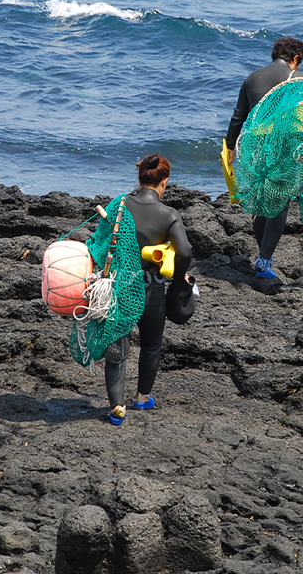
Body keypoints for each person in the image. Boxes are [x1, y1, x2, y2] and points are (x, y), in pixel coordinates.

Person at [103, 154, 193, 425]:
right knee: (151, 345)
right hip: (152, 290)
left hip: (120, 288)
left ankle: (117, 406)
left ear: (139, 177)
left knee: (117, 344)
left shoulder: (120, 206)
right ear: (164, 182)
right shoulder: (168, 215)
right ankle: (142, 398)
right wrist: (179, 281)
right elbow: (185, 252)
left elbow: (103, 242)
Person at [225, 36, 303, 279]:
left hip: (255, 149)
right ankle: (263, 262)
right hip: (284, 149)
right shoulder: (300, 81)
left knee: (263, 200)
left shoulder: (252, 78)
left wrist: (230, 148)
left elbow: (238, 118)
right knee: (280, 203)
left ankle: (263, 257)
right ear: (295, 59)